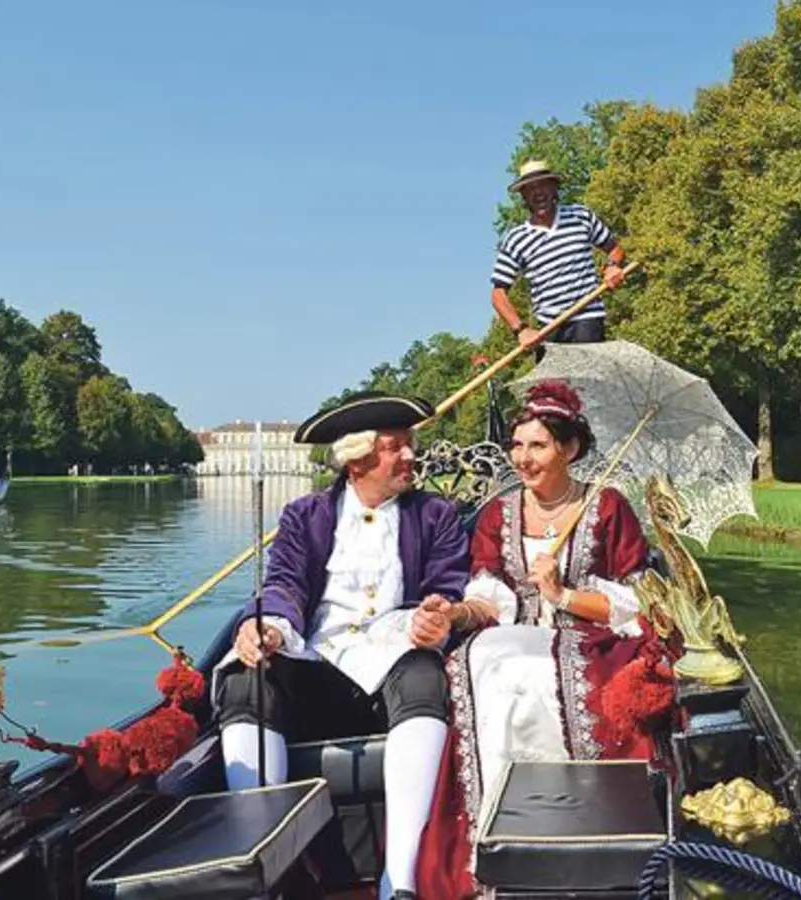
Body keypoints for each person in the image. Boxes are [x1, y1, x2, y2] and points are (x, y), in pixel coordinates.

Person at [209, 392, 472, 900]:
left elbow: (449, 587)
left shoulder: (436, 514)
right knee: (247, 676)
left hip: (395, 652)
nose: (411, 457)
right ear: (358, 461)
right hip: (318, 655)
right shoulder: (304, 515)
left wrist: (438, 617)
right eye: (397, 447)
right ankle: (268, 873)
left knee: (424, 674)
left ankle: (401, 881)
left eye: (409, 445)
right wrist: (269, 629)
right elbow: (283, 584)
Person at [416, 380, 664, 898]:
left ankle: (572, 836)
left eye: (538, 446)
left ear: (569, 449)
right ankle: (495, 835)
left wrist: (563, 594)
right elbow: (491, 599)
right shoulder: (496, 514)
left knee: (527, 671)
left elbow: (639, 603)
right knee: (479, 659)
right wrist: (456, 612)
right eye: (517, 445)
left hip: (591, 637)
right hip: (513, 634)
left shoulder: (608, 507)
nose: (522, 459)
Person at [489, 160, 628, 352]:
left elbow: (615, 249)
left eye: (542, 185)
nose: (538, 192)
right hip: (548, 329)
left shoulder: (581, 216)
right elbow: (498, 294)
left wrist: (613, 265)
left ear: (554, 187)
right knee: (550, 384)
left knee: (583, 380)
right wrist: (520, 330)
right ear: (523, 196)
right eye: (530, 188)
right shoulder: (516, 239)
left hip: (587, 318)